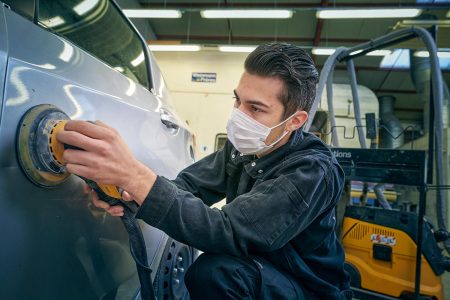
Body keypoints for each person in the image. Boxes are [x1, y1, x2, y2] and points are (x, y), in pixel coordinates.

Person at [57, 43, 352, 299]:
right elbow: (186, 186)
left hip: (308, 288)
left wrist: (136, 176)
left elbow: (229, 231)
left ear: (295, 121)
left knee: (217, 273)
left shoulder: (313, 171)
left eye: (256, 108)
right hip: (263, 267)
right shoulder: (244, 149)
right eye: (237, 100)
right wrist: (124, 192)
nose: (238, 114)